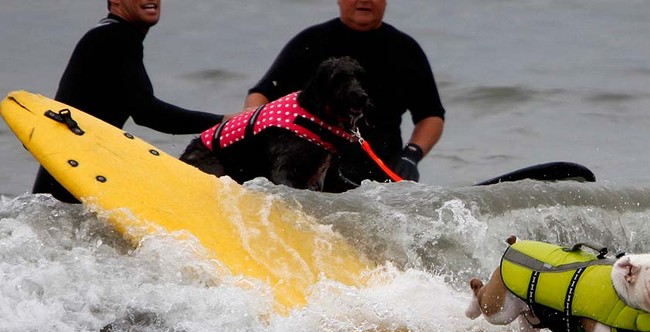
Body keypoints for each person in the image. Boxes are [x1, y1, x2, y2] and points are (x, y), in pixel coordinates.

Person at [33, 0, 230, 203]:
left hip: (68, 175)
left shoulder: (107, 34)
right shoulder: (116, 37)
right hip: (73, 176)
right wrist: (223, 121)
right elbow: (148, 113)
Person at [245, 0, 445, 192]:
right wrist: (252, 134)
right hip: (310, 169)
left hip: (380, 176)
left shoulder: (405, 49)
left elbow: (431, 115)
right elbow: (261, 94)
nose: (364, 0)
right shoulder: (311, 41)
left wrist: (412, 155)